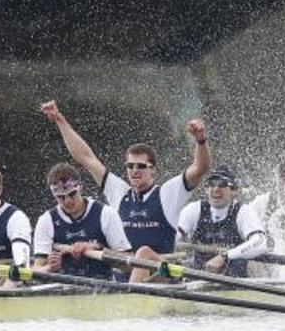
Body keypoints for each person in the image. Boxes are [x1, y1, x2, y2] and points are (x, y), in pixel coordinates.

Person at [40, 100, 210, 282]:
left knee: (143, 253)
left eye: (141, 166)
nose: (135, 171)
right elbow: (85, 158)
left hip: (162, 274)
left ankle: (131, 301)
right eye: (130, 166)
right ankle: (129, 295)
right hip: (125, 274)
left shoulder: (167, 193)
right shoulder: (119, 192)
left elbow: (200, 167)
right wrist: (60, 120)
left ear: (153, 169)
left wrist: (200, 140)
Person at [33, 162, 131, 279]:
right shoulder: (46, 221)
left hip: (103, 286)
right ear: (54, 196)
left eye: (72, 194)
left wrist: (97, 247)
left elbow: (128, 265)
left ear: (80, 187)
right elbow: (36, 270)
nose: (68, 201)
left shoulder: (106, 214)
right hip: (61, 288)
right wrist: (50, 268)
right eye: (61, 197)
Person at [176, 169, 268, 277]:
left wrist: (225, 256)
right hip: (200, 273)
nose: (215, 189)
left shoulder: (243, 211)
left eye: (222, 185)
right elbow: (172, 237)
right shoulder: (194, 209)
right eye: (211, 184)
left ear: (234, 191)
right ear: (206, 190)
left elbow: (260, 243)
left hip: (236, 277)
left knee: (254, 264)